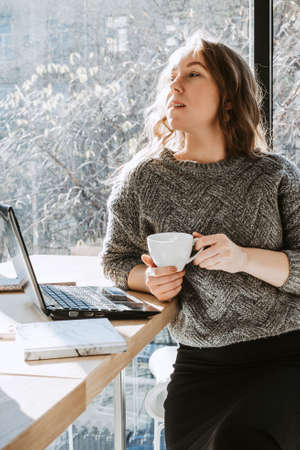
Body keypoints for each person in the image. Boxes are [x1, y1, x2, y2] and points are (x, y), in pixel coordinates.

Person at [101, 31, 300, 450]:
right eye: (172, 76)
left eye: (193, 74)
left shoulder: (275, 175)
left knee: (239, 440)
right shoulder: (143, 178)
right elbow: (116, 260)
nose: (175, 85)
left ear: (228, 97)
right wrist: (151, 280)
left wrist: (243, 257)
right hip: (201, 367)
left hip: (286, 357)